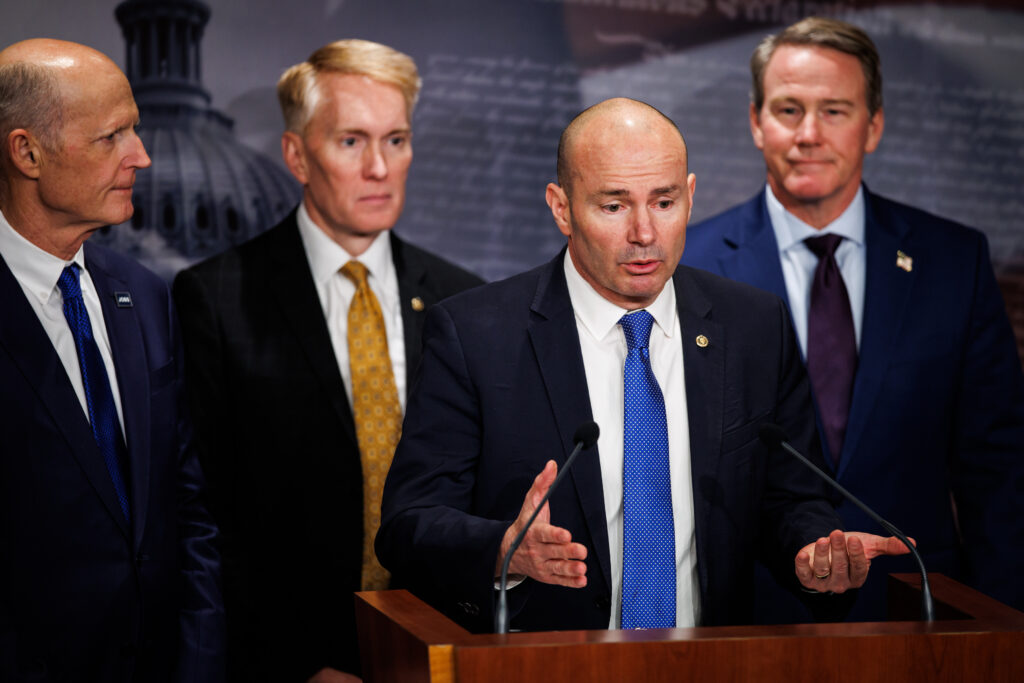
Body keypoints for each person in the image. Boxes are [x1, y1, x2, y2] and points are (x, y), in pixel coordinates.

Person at [376, 97, 910, 634]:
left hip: (710, 665)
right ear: (561, 207)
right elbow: (407, 525)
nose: (644, 233)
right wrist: (505, 551)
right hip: (545, 666)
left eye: (664, 201)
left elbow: (791, 496)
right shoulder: (474, 334)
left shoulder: (752, 326)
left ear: (691, 195)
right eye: (613, 206)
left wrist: (812, 550)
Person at [682, 16, 1024, 621]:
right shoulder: (689, 263)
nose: (809, 133)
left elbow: (996, 470)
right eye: (788, 109)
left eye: (835, 110)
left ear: (874, 126)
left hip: (912, 609)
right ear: (756, 122)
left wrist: (1001, 624)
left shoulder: (954, 263)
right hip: (746, 618)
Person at [173, 39, 483, 682]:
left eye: (396, 140)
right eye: (351, 142)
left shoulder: (466, 299)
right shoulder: (218, 297)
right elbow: (207, 514)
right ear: (296, 156)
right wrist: (296, 664)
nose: (380, 167)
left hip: (440, 652)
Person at [0, 39, 223, 682]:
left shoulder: (146, 296)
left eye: (138, 130)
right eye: (112, 137)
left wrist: (201, 665)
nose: (142, 156)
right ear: (27, 152)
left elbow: (189, 512)